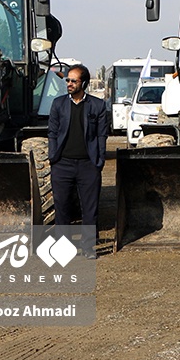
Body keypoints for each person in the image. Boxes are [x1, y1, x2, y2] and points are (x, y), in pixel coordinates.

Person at [48, 64, 110, 258]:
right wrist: (53, 157)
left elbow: (102, 135)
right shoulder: (58, 104)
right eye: (67, 80)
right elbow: (52, 132)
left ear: (83, 83)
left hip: (88, 165)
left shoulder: (97, 106)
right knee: (62, 207)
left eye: (73, 80)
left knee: (90, 208)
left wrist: (98, 160)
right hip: (62, 164)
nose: (69, 84)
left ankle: (89, 247)